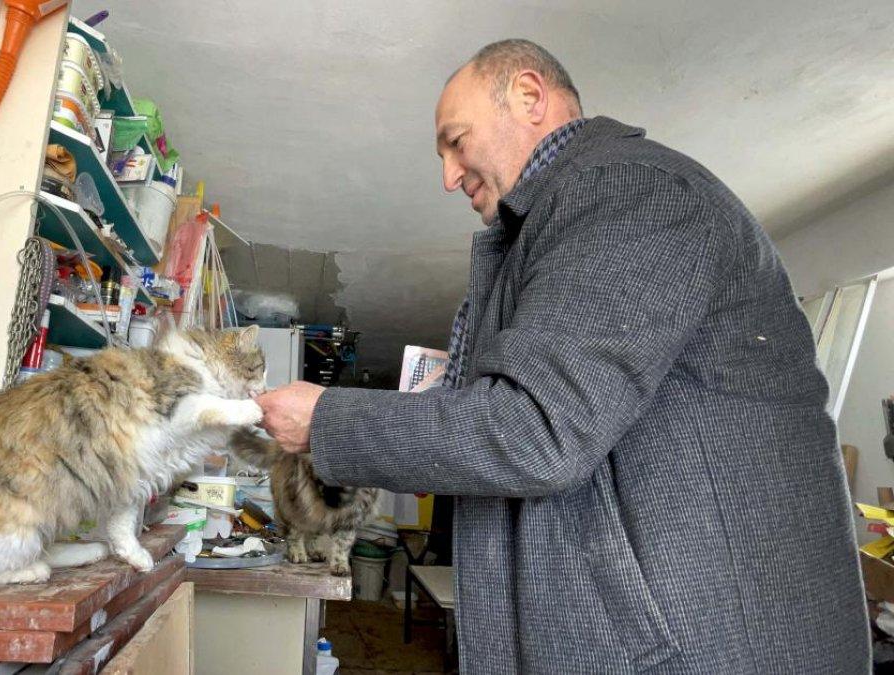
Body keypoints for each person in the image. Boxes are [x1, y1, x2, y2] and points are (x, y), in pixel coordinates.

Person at [255, 39, 869, 673]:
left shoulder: (630, 190)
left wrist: (327, 419)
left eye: (456, 141)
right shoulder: (559, 222)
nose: (446, 176)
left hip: (701, 651)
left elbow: (538, 429)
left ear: (528, 96)